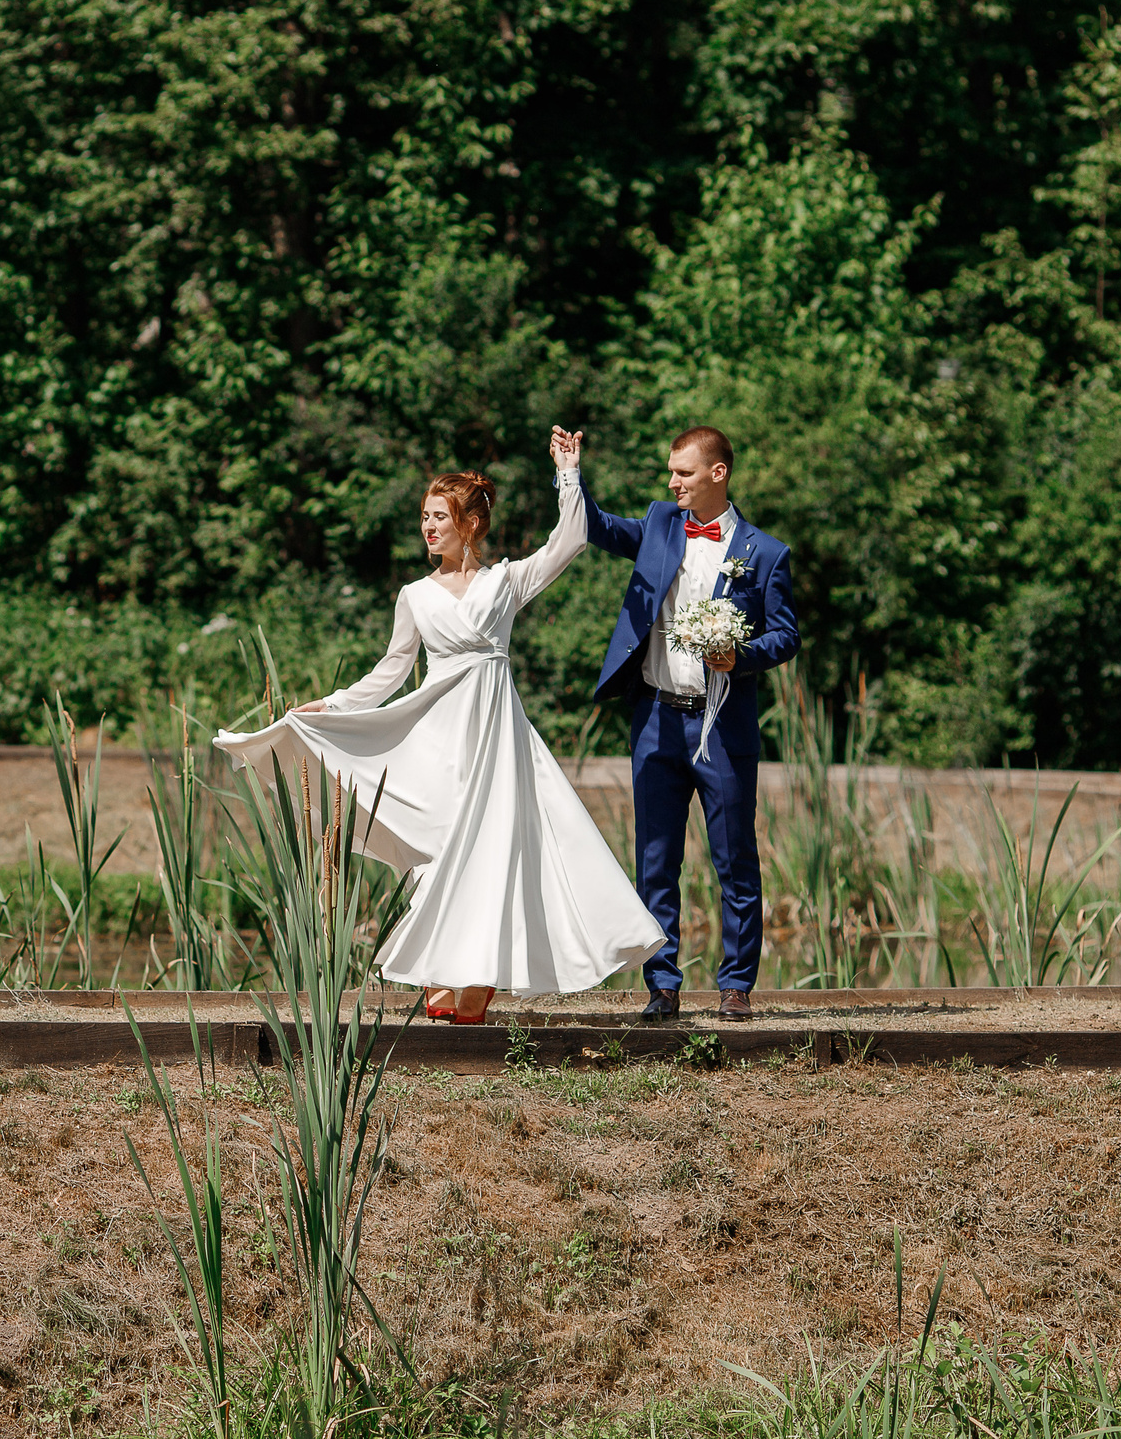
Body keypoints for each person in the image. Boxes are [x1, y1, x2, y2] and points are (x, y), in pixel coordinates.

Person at [214, 429, 663, 1022]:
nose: (427, 528)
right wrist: (333, 705)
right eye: (424, 517)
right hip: (436, 738)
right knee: (442, 849)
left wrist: (569, 473)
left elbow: (571, 538)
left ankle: (478, 976)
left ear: (470, 524)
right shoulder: (414, 596)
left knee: (495, 848)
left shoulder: (505, 582)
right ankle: (440, 969)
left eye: (439, 517)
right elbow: (391, 671)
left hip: (497, 738)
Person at [579, 426, 800, 1022]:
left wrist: (740, 654)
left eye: (683, 472)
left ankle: (735, 986)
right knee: (655, 858)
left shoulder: (766, 552)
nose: (672, 482)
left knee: (735, 859)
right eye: (671, 473)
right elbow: (598, 527)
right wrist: (569, 476)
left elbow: (786, 635)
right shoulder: (658, 523)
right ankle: (663, 986)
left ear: (717, 474)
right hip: (655, 717)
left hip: (723, 726)